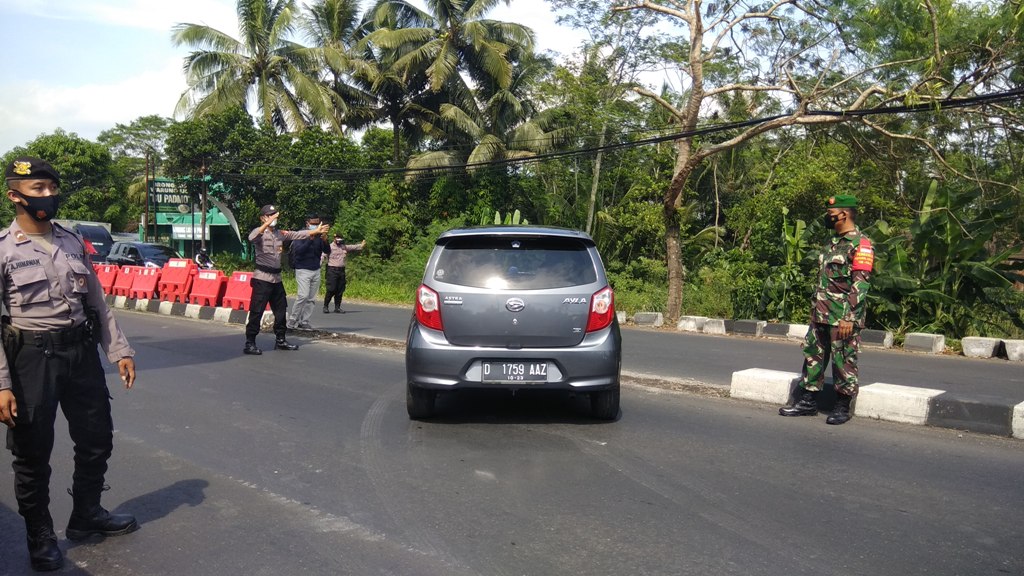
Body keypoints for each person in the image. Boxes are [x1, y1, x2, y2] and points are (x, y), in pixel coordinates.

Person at [0, 156, 138, 572]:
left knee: (97, 438)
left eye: (51, 188)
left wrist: (120, 350)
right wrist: (1, 382)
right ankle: (40, 535)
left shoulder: (72, 240)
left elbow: (96, 299)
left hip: (80, 354)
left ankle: (87, 513)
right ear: (14, 196)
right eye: (37, 189)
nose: (47, 196)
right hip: (30, 359)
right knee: (32, 453)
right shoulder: (3, 250)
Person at [779, 194, 874, 425]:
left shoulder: (861, 245)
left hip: (843, 317)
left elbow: (860, 284)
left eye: (831, 215)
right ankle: (808, 402)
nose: (828, 218)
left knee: (843, 361)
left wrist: (849, 318)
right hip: (821, 314)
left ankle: (842, 406)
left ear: (844, 214)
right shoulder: (832, 244)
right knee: (813, 357)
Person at [245, 205, 327, 355]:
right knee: (257, 311)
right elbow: (251, 237)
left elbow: (296, 235)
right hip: (262, 279)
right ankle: (250, 343)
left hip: (276, 279)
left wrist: (314, 231)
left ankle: (280, 340)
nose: (273, 219)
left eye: (274, 215)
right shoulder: (259, 233)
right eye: (269, 216)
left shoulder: (279, 234)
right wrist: (266, 224)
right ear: (263, 218)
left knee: (281, 311)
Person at [287, 215, 330, 330]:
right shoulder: (301, 234)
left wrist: (325, 239)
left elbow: (327, 251)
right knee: (303, 295)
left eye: (317, 223)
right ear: (307, 223)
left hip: (315, 269)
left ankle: (304, 321)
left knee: (311, 298)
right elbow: (299, 252)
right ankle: (292, 320)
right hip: (303, 269)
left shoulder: (320, 237)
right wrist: (310, 239)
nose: (315, 226)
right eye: (313, 223)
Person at [323, 233, 366, 313]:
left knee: (340, 290)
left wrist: (361, 245)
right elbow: (322, 255)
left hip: (341, 271)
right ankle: (325, 306)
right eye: (337, 238)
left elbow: (353, 247)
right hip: (332, 270)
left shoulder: (343, 247)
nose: (339, 239)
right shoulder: (329, 247)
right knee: (331, 289)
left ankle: (337, 307)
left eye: (340, 238)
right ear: (334, 238)